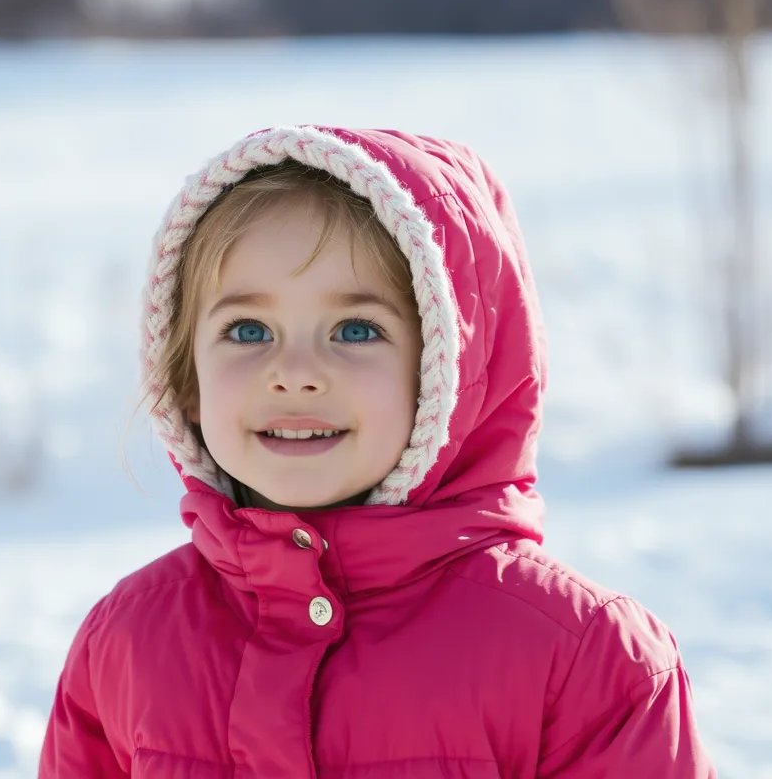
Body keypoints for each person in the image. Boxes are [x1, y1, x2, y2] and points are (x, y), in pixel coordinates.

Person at [40, 126, 715, 778]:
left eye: (356, 329)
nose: (296, 371)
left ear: (446, 378)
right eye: (248, 329)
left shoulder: (582, 660)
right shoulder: (126, 646)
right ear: (184, 377)